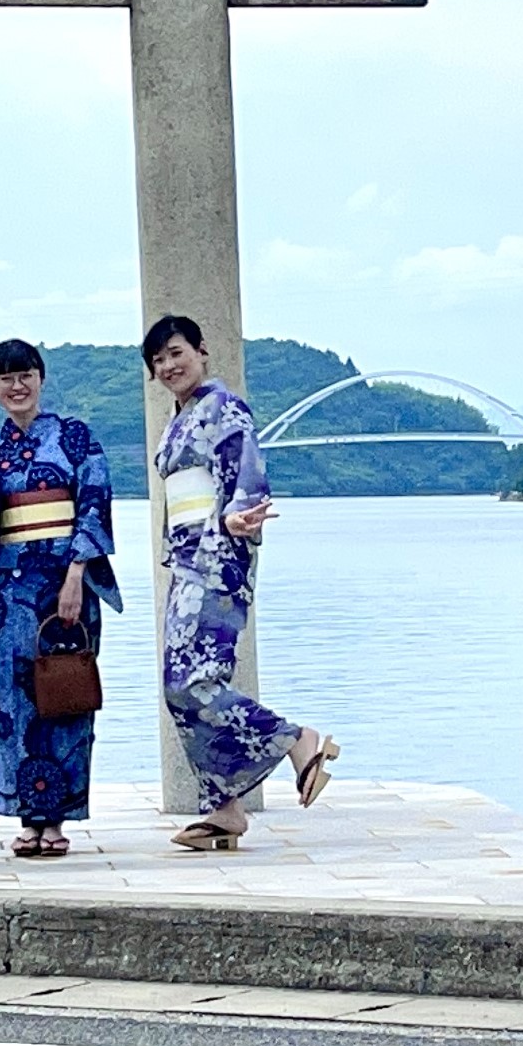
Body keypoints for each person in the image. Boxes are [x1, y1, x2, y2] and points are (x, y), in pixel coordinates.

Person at [143, 313, 337, 851]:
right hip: (186, 561)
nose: (168, 366)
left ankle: (298, 741)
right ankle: (223, 807)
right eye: (158, 360)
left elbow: (246, 475)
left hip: (216, 559)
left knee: (192, 682)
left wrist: (236, 517)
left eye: (176, 352)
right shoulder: (180, 418)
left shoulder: (223, 409)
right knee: (179, 688)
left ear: (202, 352)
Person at [0, 337, 119, 858]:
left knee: (64, 697)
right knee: (11, 703)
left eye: (26, 375)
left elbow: (94, 503)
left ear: (41, 378)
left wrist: (75, 575)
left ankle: (59, 819)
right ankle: (27, 816)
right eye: (5, 379)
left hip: (66, 585)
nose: (17, 386)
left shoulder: (75, 437)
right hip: (9, 591)